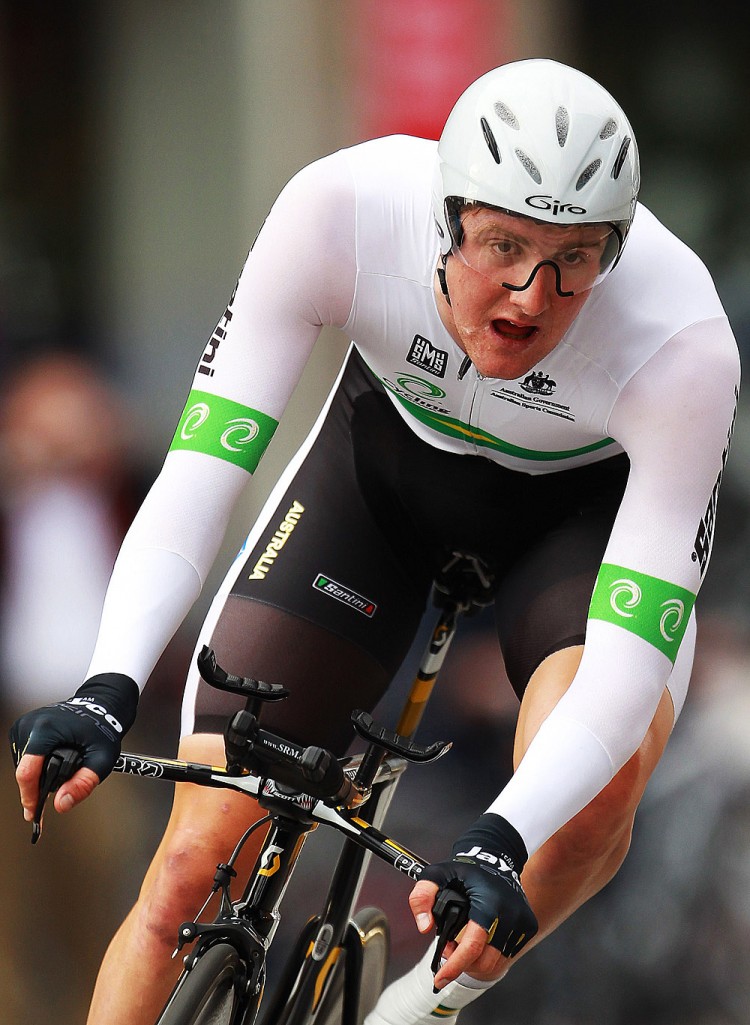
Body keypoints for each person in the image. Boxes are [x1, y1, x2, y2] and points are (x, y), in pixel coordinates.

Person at [9, 58, 739, 1025]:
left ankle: (421, 1007)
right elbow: (202, 467)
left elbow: (630, 658)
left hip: (572, 528)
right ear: (445, 217)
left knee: (590, 803)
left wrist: (504, 833)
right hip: (379, 491)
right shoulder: (341, 210)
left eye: (575, 260)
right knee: (188, 868)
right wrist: (107, 681)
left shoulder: (681, 340)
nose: (531, 294)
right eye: (503, 245)